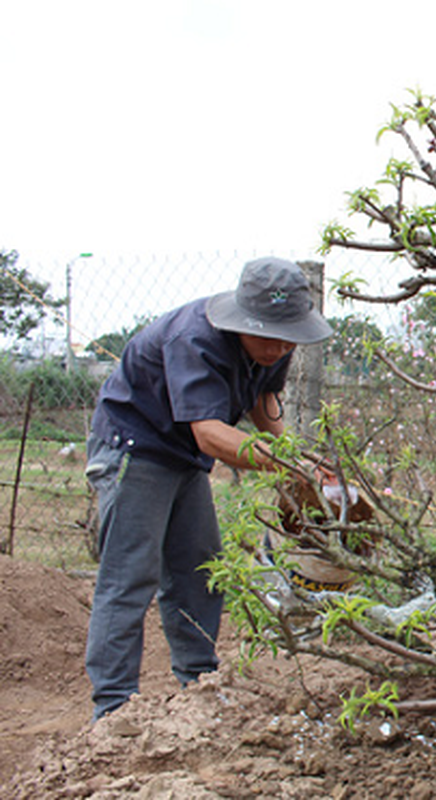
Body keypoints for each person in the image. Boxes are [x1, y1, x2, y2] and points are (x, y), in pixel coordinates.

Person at [84, 257, 333, 720]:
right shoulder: (194, 340)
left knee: (201, 570)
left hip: (180, 456)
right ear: (241, 320)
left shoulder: (273, 345)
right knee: (131, 575)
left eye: (289, 337)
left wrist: (299, 457)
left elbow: (264, 402)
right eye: (270, 336)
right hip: (135, 447)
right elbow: (210, 435)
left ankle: (199, 684)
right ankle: (113, 708)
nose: (280, 347)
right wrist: (285, 466)